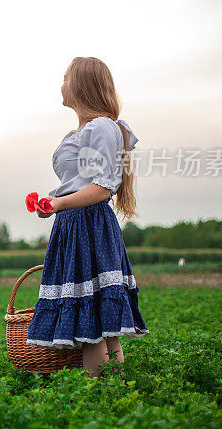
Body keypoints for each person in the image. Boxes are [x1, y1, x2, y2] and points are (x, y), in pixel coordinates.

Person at [26, 56, 150, 378]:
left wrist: (57, 205)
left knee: (92, 322)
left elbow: (100, 189)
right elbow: (78, 184)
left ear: (80, 84)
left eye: (66, 78)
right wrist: (52, 201)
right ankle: (113, 394)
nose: (62, 84)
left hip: (89, 225)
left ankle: (99, 400)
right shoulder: (81, 132)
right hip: (74, 225)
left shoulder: (102, 128)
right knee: (97, 319)